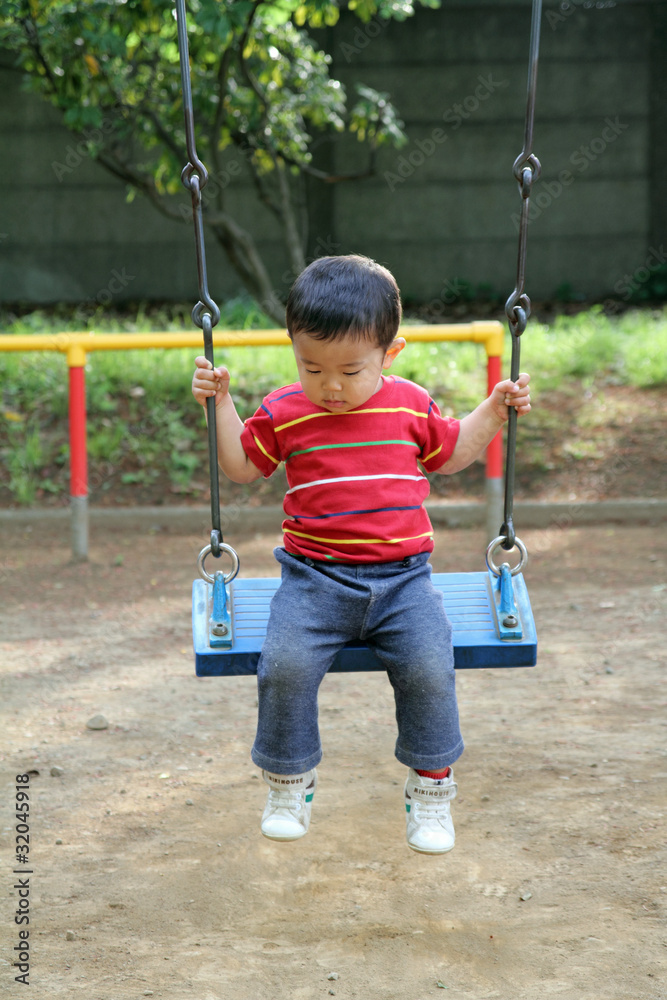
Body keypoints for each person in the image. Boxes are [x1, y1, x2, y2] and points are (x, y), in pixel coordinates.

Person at [191, 254, 531, 855]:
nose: (330, 385)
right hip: (312, 581)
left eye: (350, 370)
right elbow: (241, 467)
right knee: (284, 666)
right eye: (311, 367)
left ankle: (431, 791)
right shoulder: (284, 411)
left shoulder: (409, 405)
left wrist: (494, 411)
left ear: (389, 353)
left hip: (404, 583)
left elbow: (452, 452)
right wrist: (220, 405)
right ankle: (288, 783)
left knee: (430, 668)